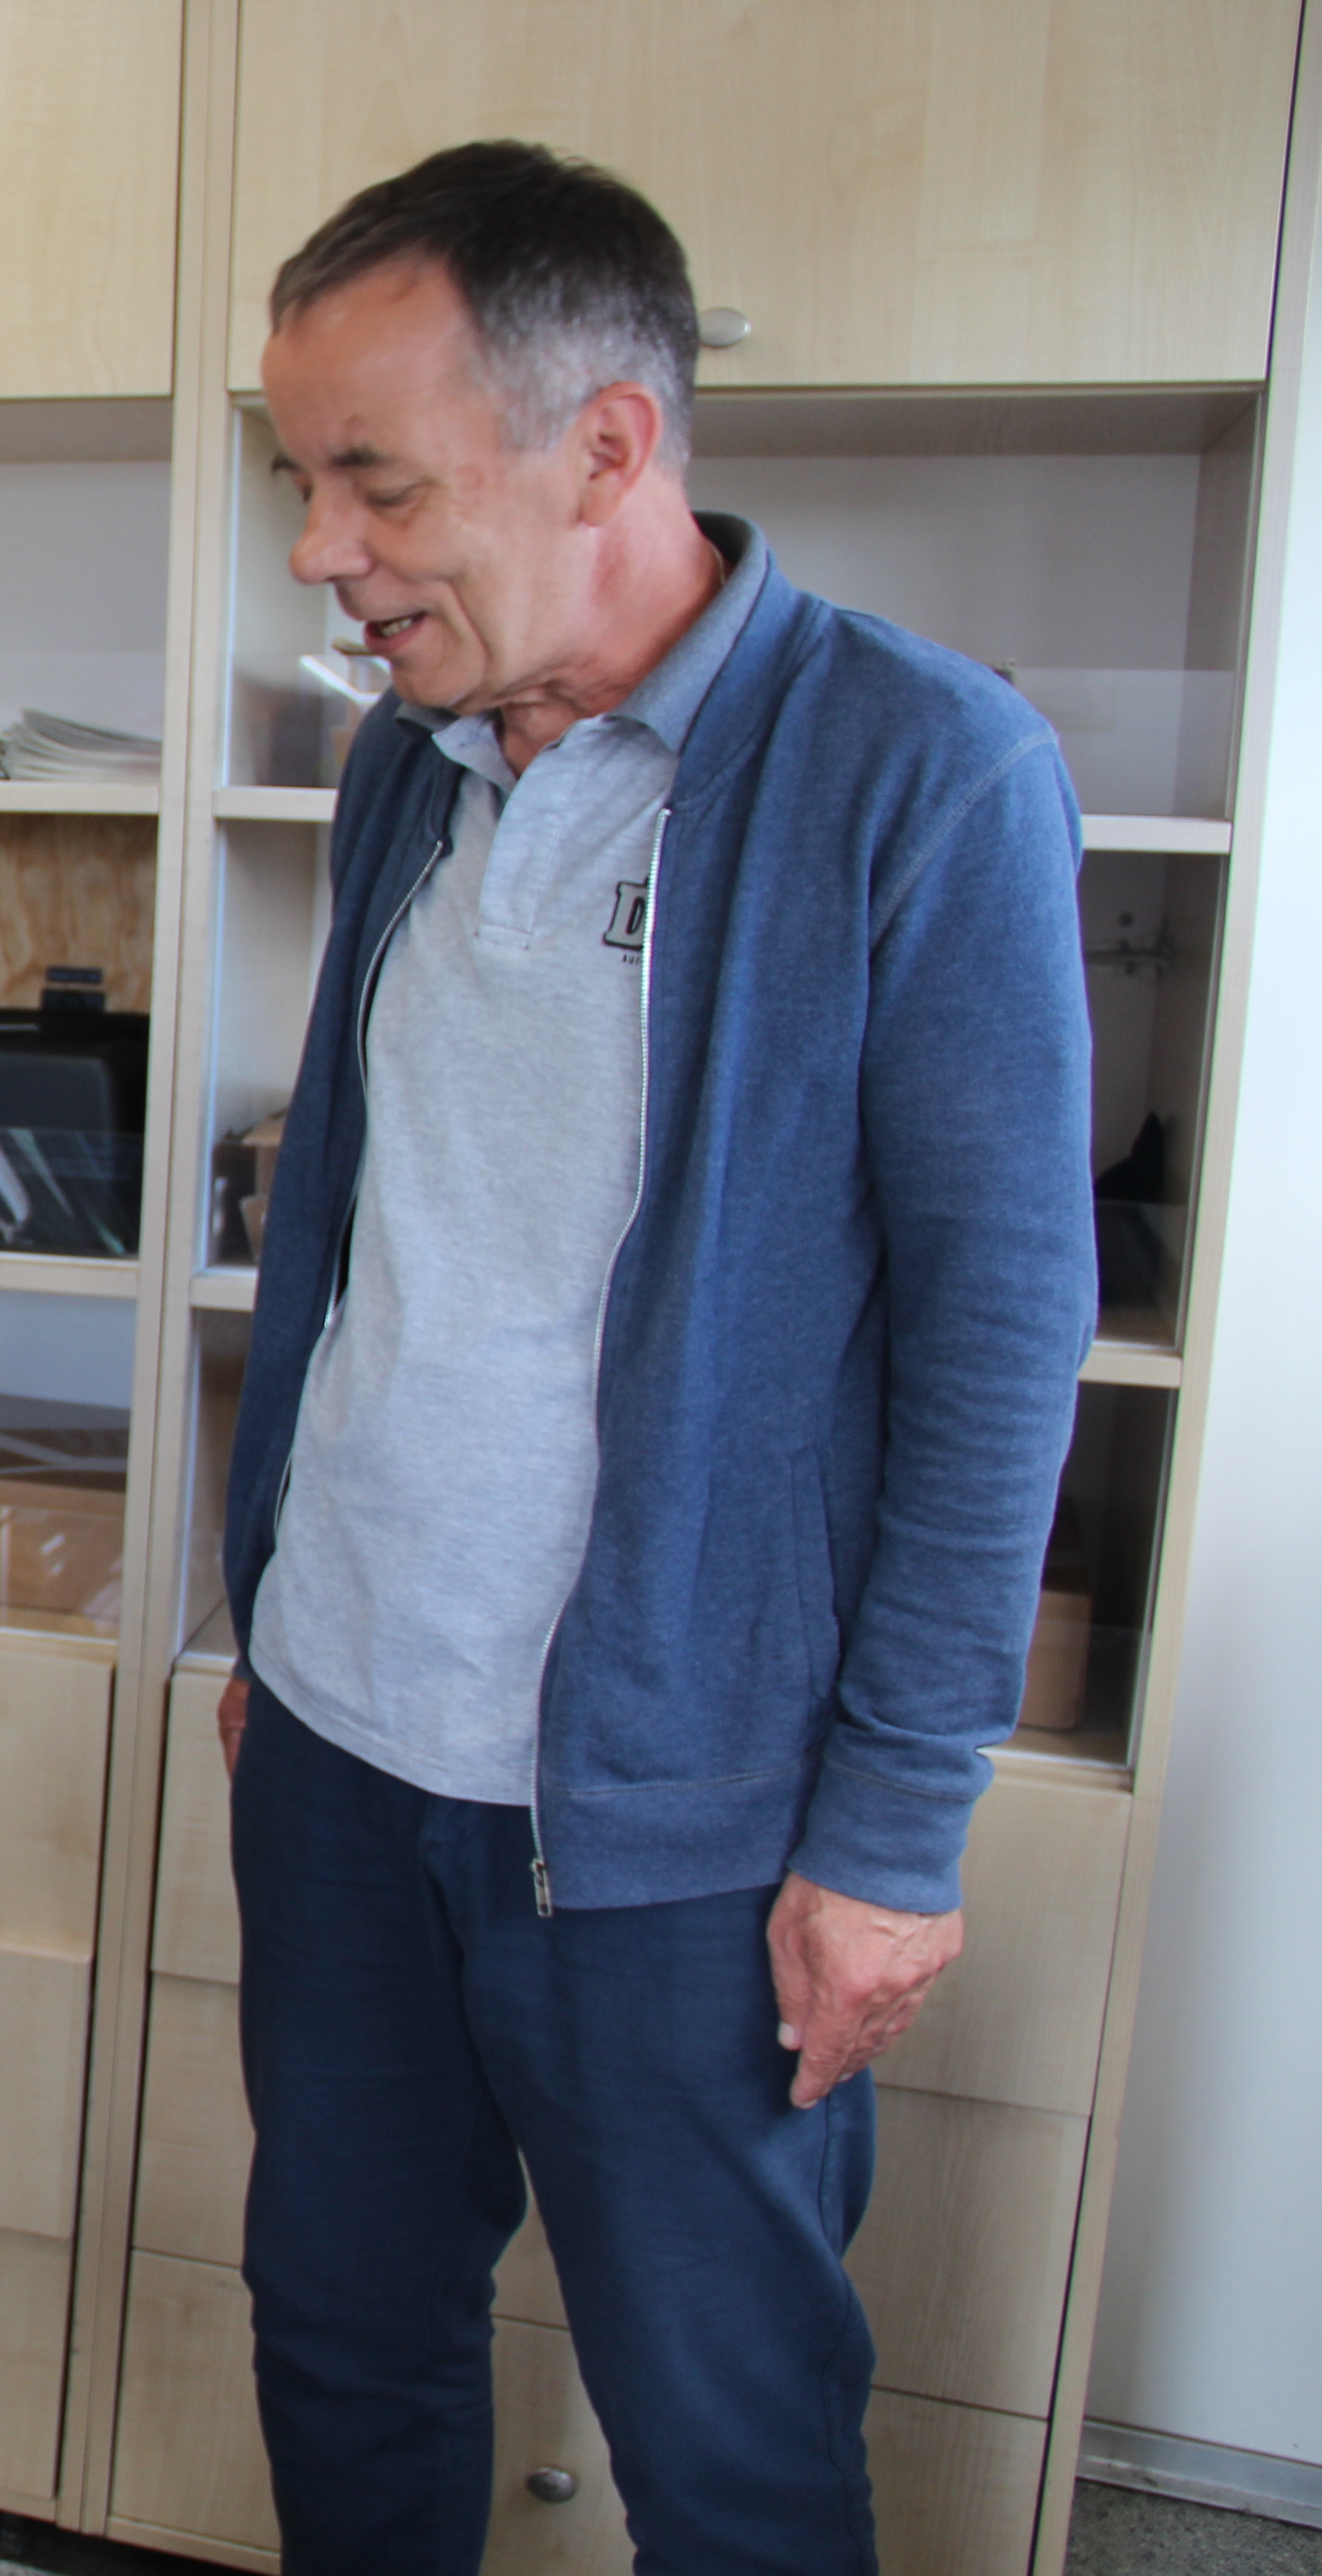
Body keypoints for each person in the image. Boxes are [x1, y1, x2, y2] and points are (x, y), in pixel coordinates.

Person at [215, 144, 1091, 2570]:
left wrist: (892, 1830)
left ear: (609, 447)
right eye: (303, 485)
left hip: (679, 1821)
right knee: (345, 2342)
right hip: (344, 1741)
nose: (320, 550)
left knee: (729, 2439)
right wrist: (274, 1608)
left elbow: (1002, 1334)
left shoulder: (921, 770)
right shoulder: (407, 761)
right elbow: (363, 1220)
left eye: (378, 482)